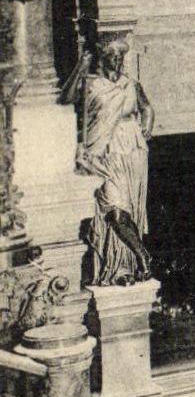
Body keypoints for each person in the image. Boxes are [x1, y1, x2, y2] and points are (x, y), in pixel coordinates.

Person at [68, 37, 153, 286]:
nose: (117, 59)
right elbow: (66, 98)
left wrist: (146, 126)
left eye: (120, 55)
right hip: (102, 153)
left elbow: (146, 107)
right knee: (114, 210)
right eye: (112, 55)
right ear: (101, 57)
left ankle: (123, 268)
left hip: (132, 150)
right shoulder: (92, 85)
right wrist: (80, 68)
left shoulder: (130, 84)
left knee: (130, 208)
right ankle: (142, 256)